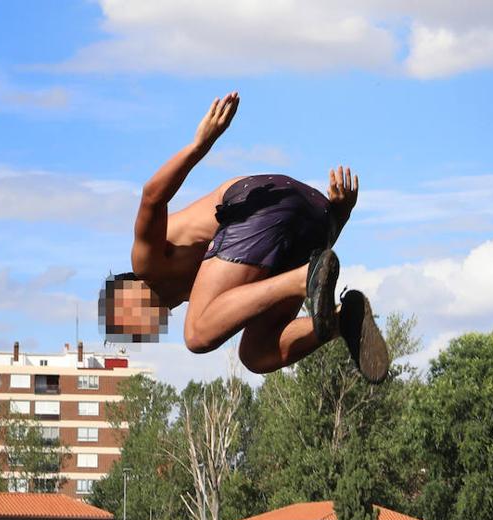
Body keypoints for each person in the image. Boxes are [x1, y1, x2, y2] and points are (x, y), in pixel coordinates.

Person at [99, 92, 388, 381]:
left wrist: (201, 144)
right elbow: (305, 255)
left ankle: (302, 280)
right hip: (312, 217)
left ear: (127, 295)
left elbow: (151, 198)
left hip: (255, 201)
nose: (143, 331)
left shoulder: (146, 265)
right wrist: (340, 214)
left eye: (130, 326)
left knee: (198, 333)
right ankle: (342, 320)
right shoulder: (211, 295)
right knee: (258, 354)